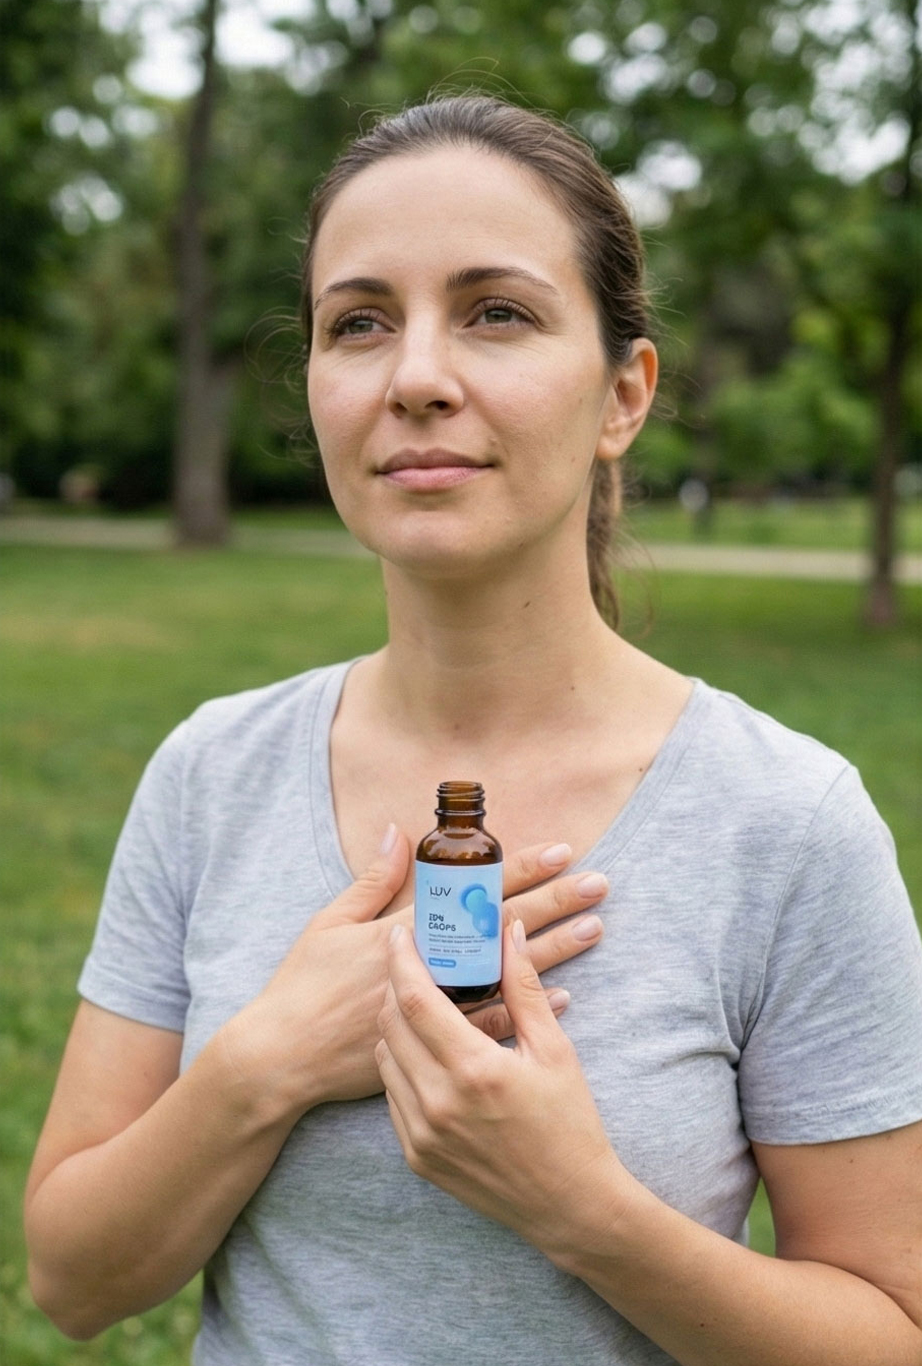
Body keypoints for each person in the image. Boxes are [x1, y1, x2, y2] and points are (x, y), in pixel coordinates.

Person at [25, 94, 922, 1366]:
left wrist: (585, 1210)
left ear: (624, 395)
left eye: (495, 312)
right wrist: (265, 1062)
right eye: (360, 323)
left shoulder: (785, 822)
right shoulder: (209, 774)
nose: (418, 378)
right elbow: (69, 1278)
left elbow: (891, 1333)